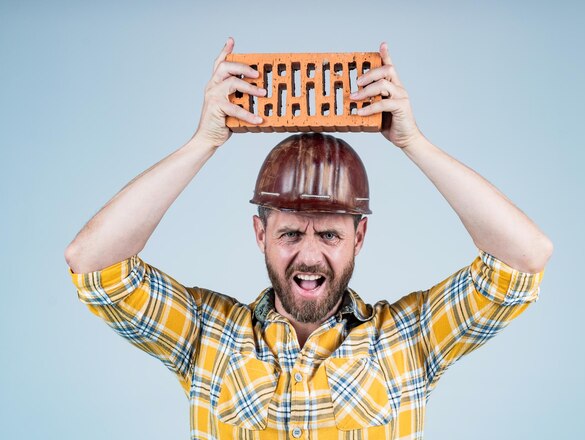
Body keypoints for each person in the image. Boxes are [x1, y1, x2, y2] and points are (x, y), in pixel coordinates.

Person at [65, 38, 553, 439]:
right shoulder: (207, 337)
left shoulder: (407, 340)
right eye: (291, 232)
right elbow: (92, 263)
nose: (310, 255)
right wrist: (203, 142)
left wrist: (414, 144)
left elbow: (524, 258)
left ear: (360, 237)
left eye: (331, 234)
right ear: (260, 232)